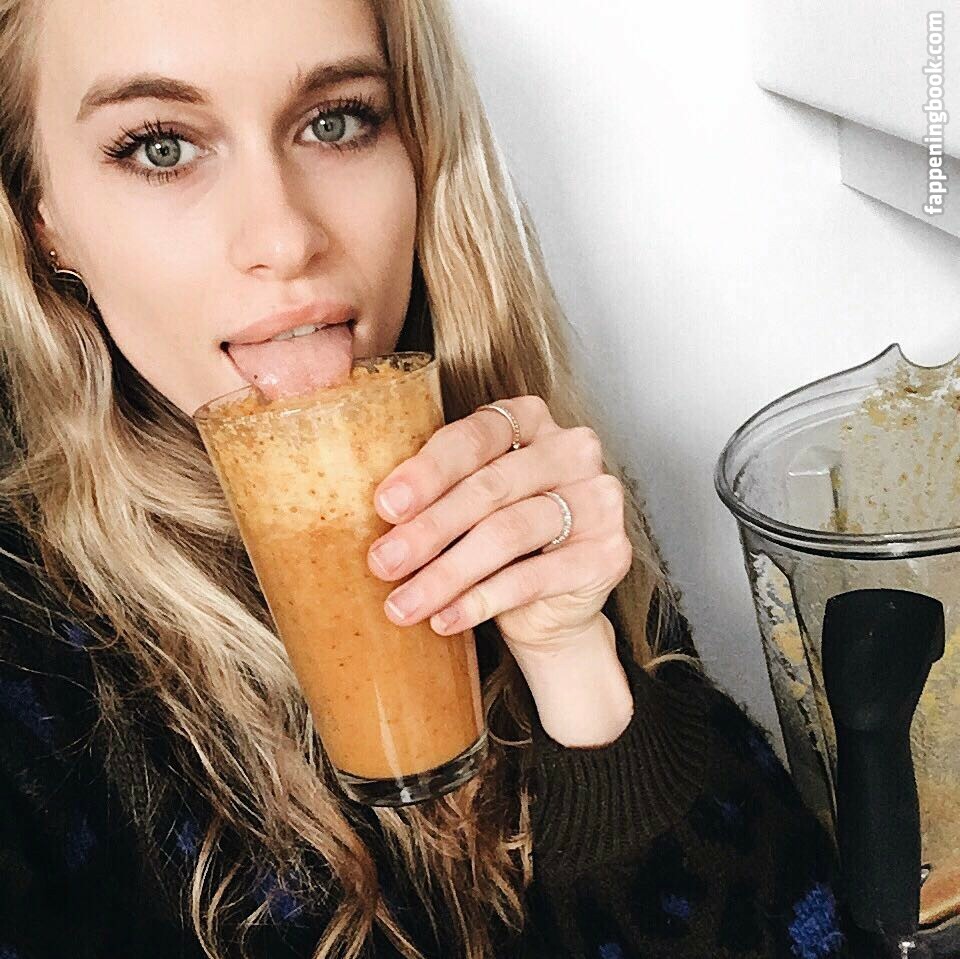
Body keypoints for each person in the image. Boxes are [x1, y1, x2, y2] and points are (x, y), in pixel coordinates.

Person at [0, 0, 850, 956]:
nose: (285, 237)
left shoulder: (531, 491)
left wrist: (579, 670)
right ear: (44, 220)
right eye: (161, 148)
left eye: (336, 121)